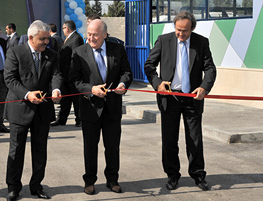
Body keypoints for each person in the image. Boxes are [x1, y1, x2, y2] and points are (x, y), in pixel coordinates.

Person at [144, 11, 217, 191]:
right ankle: (172, 175)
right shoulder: (164, 40)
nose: (181, 34)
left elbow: (210, 69)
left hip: (192, 98)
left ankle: (198, 175)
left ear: (192, 28)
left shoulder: (201, 42)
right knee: (170, 140)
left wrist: (204, 87)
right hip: (170, 98)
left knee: (195, 139)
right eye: (178, 30)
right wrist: (157, 83)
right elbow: (149, 65)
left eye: (185, 31)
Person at [70, 19, 133, 195]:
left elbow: (126, 72)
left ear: (105, 34)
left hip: (112, 107)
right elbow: (74, 80)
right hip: (90, 108)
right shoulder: (79, 52)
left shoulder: (117, 49)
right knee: (90, 147)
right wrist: (91, 89)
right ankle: (89, 180)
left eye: (95, 35)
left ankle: (112, 180)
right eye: (88, 34)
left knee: (112, 146)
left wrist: (122, 84)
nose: (91, 38)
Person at [4, 20, 62, 201]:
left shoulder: (51, 55)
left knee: (40, 150)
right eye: (43, 39)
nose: (47, 42)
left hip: (43, 110)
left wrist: (56, 89)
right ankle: (13, 187)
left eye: (48, 38)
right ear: (31, 37)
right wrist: (28, 94)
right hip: (20, 109)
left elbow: (56, 75)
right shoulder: (15, 52)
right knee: (16, 150)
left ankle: (36, 185)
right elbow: (10, 79)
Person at [50, 20, 83, 127]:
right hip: (64, 75)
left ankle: (79, 119)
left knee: (76, 99)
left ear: (67, 28)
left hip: (71, 75)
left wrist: (72, 74)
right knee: (65, 99)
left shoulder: (77, 38)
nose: (63, 30)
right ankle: (61, 119)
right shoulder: (68, 39)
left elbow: (75, 58)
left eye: (64, 28)